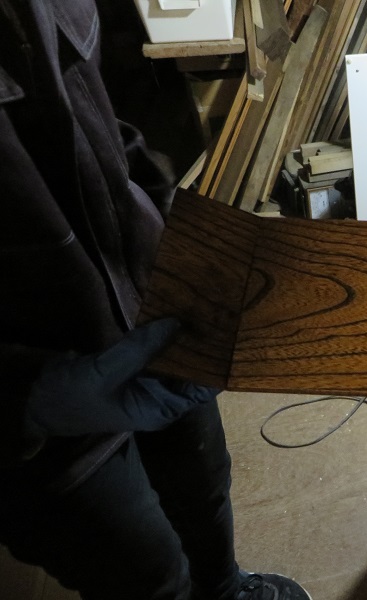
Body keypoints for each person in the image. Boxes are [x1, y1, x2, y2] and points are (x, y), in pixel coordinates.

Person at [0, 1, 312, 598]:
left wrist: (180, 237)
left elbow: (114, 107)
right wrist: (29, 398)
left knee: (202, 479)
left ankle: (224, 588)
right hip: (36, 397)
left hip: (150, 302)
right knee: (145, 569)